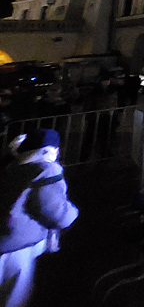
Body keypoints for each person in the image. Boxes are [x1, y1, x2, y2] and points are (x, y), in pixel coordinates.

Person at [0, 129, 78, 307]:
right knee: (13, 297)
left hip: (5, 237)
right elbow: (54, 210)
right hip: (17, 246)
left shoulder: (13, 165)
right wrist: (73, 213)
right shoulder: (45, 169)